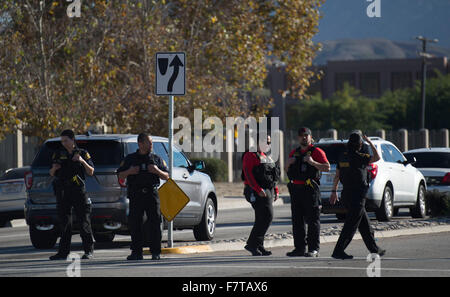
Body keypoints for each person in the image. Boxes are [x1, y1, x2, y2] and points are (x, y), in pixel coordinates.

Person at [330, 133, 386, 260]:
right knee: (351, 226)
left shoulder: (342, 156)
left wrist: (334, 191)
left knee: (365, 225)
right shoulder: (359, 156)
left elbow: (337, 175)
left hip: (346, 195)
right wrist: (370, 142)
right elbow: (377, 157)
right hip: (357, 196)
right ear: (360, 145)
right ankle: (338, 251)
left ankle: (375, 249)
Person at [117, 133, 169, 261]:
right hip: (136, 194)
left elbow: (167, 176)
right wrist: (130, 171)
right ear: (140, 143)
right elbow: (120, 175)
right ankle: (136, 252)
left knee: (155, 223)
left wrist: (157, 171)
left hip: (152, 193)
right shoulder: (130, 159)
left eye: (151, 142)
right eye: (149, 142)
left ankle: (156, 252)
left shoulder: (156, 159)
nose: (151, 145)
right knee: (135, 224)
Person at [49, 129, 95, 260]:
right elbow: (51, 173)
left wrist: (81, 161)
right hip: (63, 191)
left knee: (83, 222)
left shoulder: (82, 153)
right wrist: (54, 169)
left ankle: (88, 251)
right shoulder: (58, 154)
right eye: (62, 141)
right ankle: (63, 253)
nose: (63, 143)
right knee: (64, 223)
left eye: (66, 140)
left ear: (72, 140)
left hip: (78, 191)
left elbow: (91, 171)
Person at [286, 127, 330, 257]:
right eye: (301, 135)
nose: (303, 137)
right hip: (296, 189)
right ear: (298, 138)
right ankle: (299, 248)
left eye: (306, 135)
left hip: (310, 189)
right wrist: (287, 164)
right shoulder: (294, 152)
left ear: (310, 137)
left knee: (313, 220)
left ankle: (313, 249)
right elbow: (287, 170)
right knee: (297, 221)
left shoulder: (316, 151)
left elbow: (327, 167)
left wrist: (313, 162)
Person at [242, 135, 280, 256]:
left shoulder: (266, 156)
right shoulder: (250, 155)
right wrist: (257, 189)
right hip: (256, 191)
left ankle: (258, 245)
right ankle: (252, 244)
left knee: (261, 218)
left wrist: (276, 189)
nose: (267, 144)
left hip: (268, 190)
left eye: (269, 142)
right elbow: (248, 174)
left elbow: (271, 175)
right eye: (265, 141)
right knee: (267, 216)